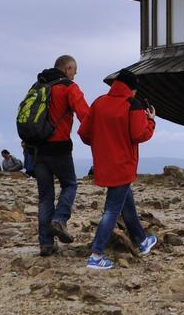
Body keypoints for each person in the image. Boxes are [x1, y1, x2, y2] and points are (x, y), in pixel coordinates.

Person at [79, 70, 157, 269]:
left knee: (125, 202)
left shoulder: (99, 102)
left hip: (103, 164)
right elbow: (139, 135)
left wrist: (102, 142)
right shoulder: (133, 105)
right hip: (123, 164)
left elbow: (85, 133)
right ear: (132, 89)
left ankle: (142, 241)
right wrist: (151, 121)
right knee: (112, 210)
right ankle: (96, 254)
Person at [31, 55, 91, 257]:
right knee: (70, 184)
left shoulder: (37, 86)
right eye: (74, 70)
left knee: (45, 196)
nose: (75, 74)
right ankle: (60, 219)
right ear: (67, 68)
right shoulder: (68, 87)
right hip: (60, 147)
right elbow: (86, 115)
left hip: (38, 149)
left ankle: (45, 244)